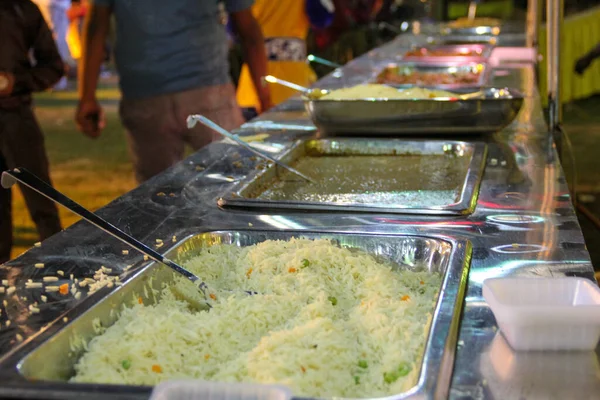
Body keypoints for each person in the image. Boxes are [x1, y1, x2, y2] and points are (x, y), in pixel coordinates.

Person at [76, 0, 271, 184]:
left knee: (157, 199)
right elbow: (247, 28)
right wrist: (264, 97)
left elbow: (96, 27)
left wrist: (87, 97)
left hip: (146, 92)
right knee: (237, 182)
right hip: (208, 89)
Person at [0, 0, 64, 264]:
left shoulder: (21, 9)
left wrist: (16, 82)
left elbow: (54, 66)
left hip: (17, 118)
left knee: (42, 203)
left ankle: (63, 273)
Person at [31, 0, 73, 89]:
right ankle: (56, 81)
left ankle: (38, 80)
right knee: (57, 40)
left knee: (38, 38)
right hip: (54, 4)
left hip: (39, 3)